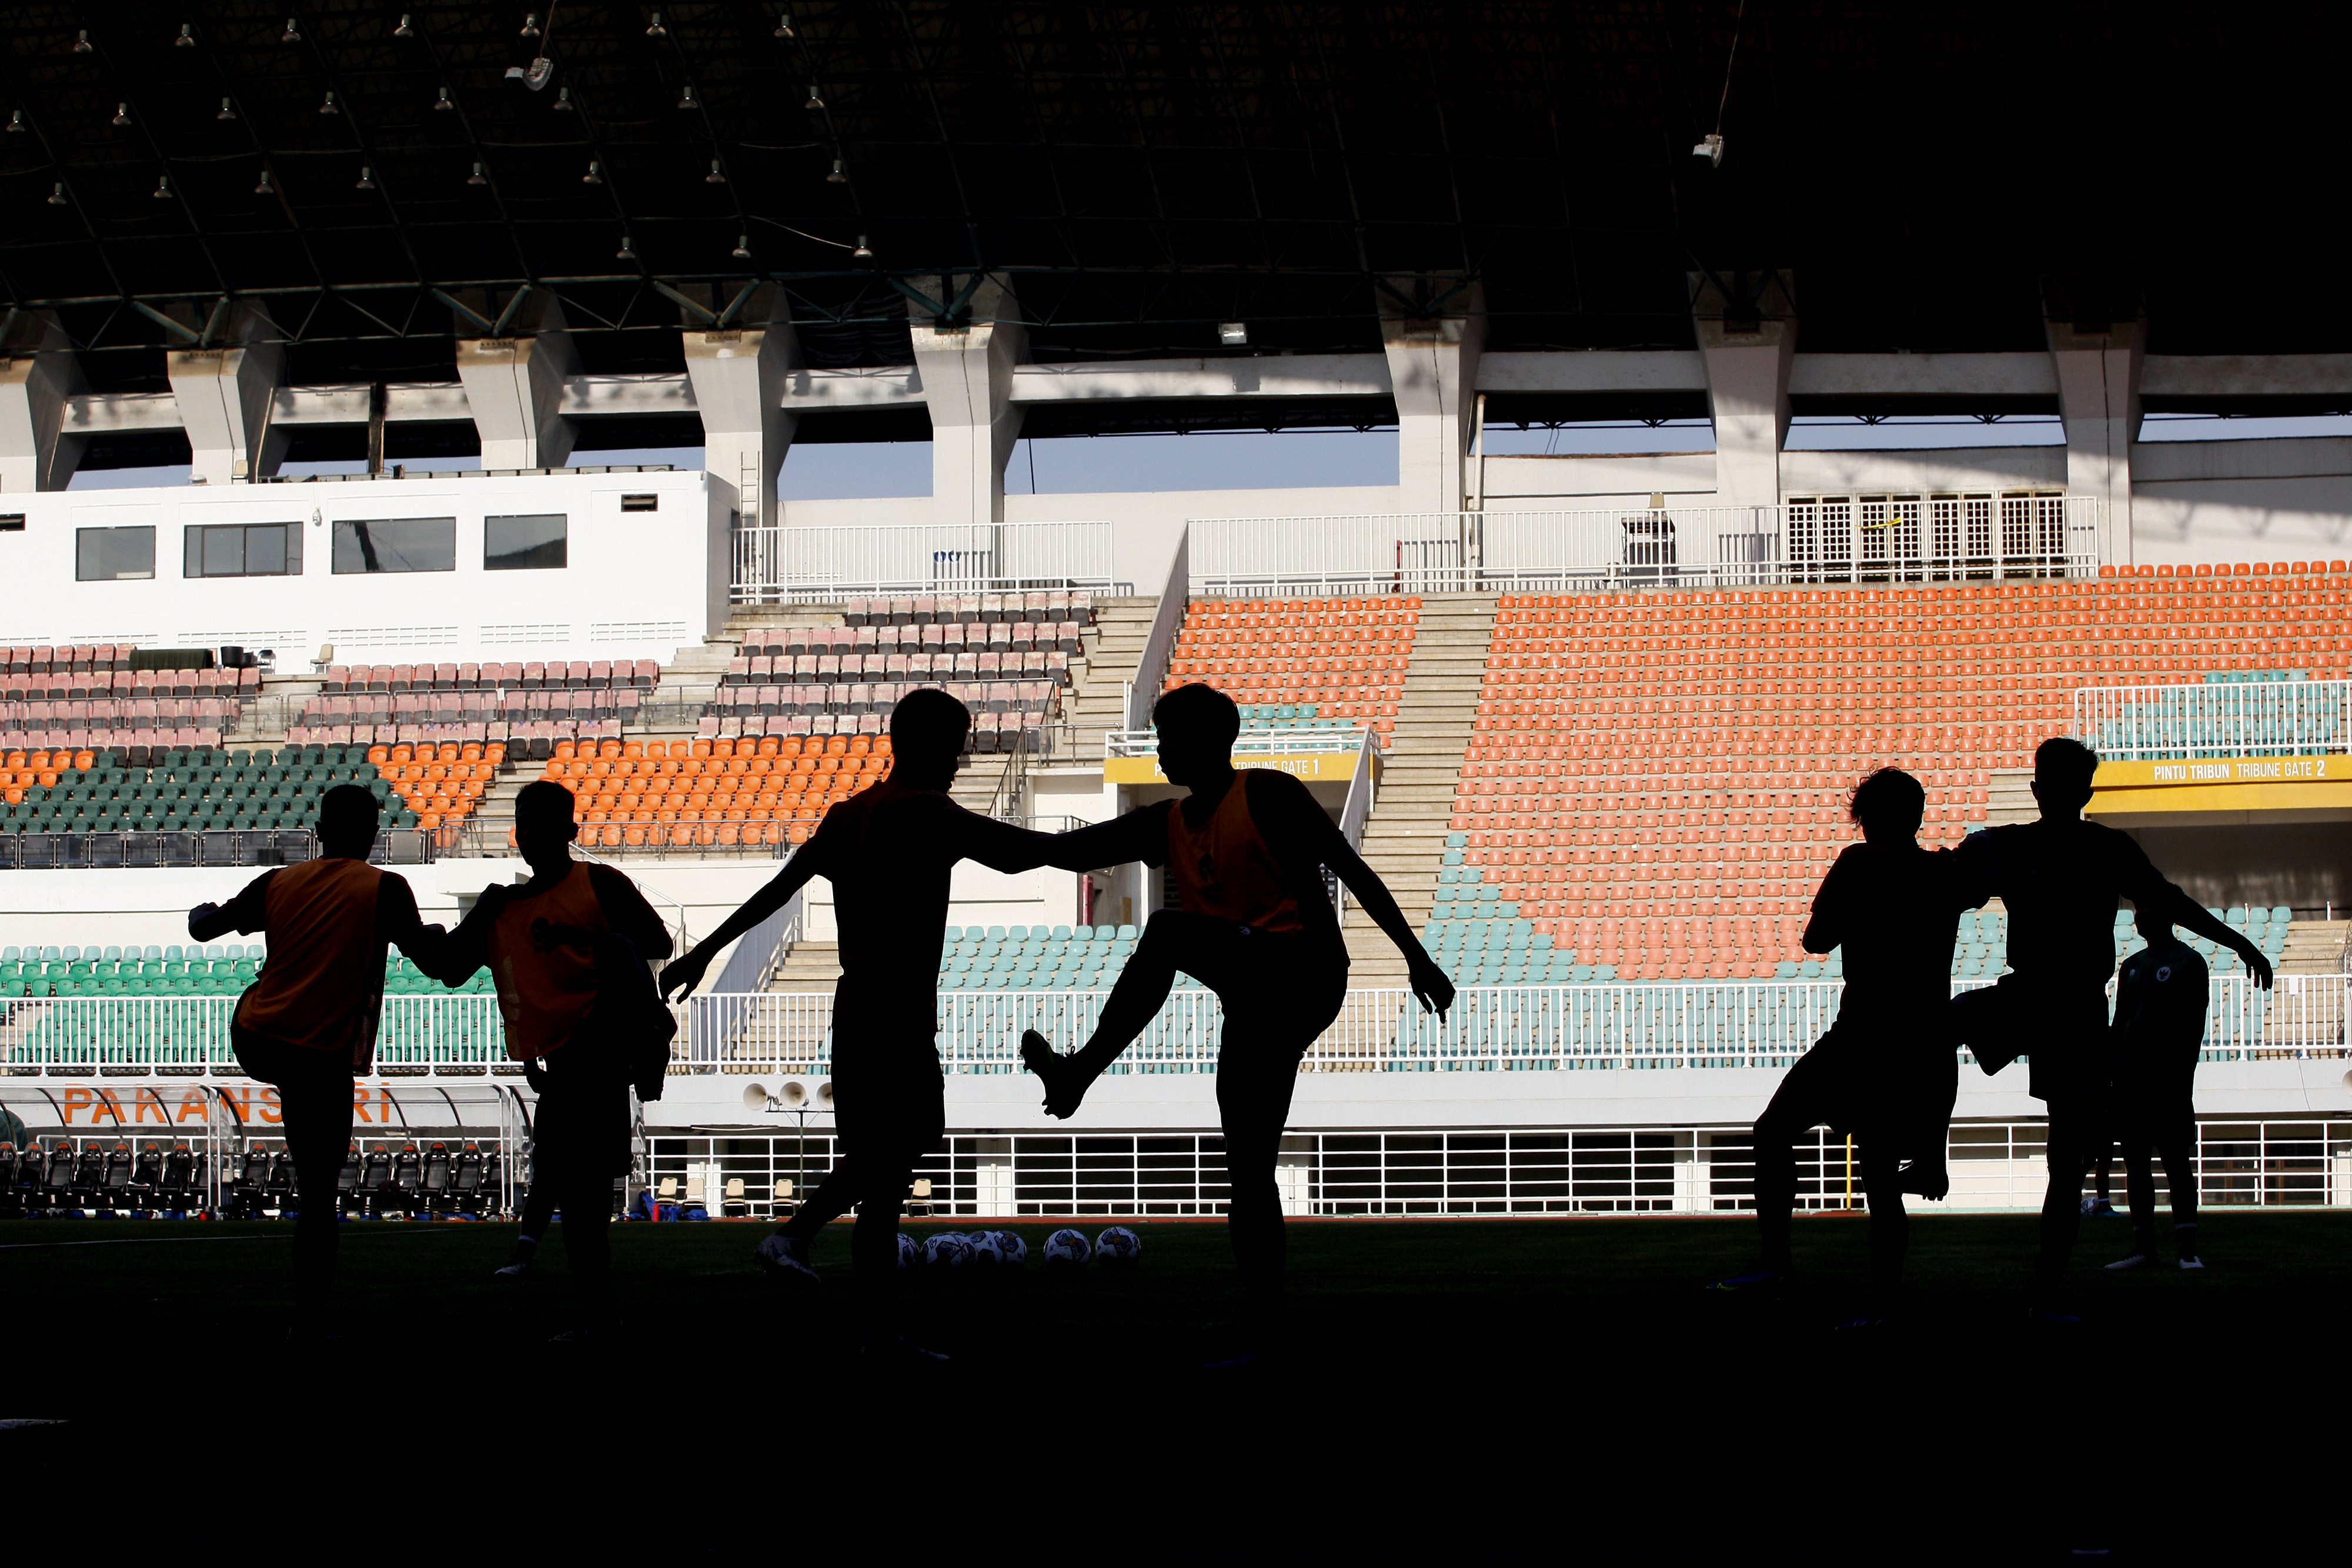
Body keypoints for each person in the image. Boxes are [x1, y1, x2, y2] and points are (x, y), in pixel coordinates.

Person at [1018, 683, 1454, 1363]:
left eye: (1173, 737)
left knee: (1163, 930)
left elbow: (1352, 870)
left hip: (1303, 971)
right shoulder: (1166, 823)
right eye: (1159, 737)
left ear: (1216, 741)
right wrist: (952, 834)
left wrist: (1416, 958)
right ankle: (1269, 1335)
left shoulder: (1269, 795)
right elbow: (1057, 853)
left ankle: (1078, 1072)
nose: (1162, 749)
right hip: (1251, 996)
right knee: (1247, 1171)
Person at [660, 690, 1070, 1364]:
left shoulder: (848, 817)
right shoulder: (929, 814)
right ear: (930, 744)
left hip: (852, 1015)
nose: (962, 756)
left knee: (881, 1188)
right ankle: (796, 1234)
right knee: (907, 1144)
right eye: (957, 741)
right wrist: (1128, 839)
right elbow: (1024, 855)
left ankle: (876, 1334)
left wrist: (704, 952)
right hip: (896, 1017)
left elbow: (776, 890)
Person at [1949, 737, 2267, 1320]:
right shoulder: (2084, 847)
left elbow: (1948, 885)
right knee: (2062, 1161)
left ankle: (1923, 1148)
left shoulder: (2019, 845)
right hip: (2062, 1007)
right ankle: (2036, 1288)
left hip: (2051, 1003)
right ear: (2082, 792)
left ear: (2038, 789)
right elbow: (2171, 900)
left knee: (1938, 1034)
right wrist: (2238, 941)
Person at [1708, 768, 1970, 1323]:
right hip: (1923, 1039)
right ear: (1918, 815)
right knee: (1880, 1178)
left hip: (1863, 1036)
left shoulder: (1859, 862)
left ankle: (1776, 1262)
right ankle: (1885, 1304)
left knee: (1773, 1131)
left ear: (1865, 816)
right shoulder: (1944, 872)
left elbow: (1816, 938)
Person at [188, 784, 444, 1342]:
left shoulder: (279, 880)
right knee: (319, 1190)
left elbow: (204, 927)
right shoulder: (385, 888)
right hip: (318, 1052)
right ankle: (307, 1318)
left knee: (312, 1159)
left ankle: (307, 1314)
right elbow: (436, 965)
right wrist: (463, 928)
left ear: (320, 831)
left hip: (257, 1033)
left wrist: (202, 910)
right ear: (374, 835)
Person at [422, 780, 673, 1340]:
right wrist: (446, 927)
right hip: (561, 1063)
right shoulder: (502, 907)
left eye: (540, 820)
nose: (529, 831)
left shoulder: (599, 882)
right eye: (523, 820)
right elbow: (449, 969)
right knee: (578, 1200)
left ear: (570, 832)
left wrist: (576, 934)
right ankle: (602, 1321)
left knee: (615, 948)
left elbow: (658, 942)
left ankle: (655, 1030)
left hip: (605, 1044)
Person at [2104, 905, 2209, 1272]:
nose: (2142, 915)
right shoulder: (2131, 965)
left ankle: (2187, 1251)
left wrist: (2182, 1076)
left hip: (2168, 1081)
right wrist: (2111, 1073)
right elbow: (2119, 1024)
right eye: (2140, 910)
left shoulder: (2190, 963)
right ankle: (2144, 1248)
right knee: (2135, 1164)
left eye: (2149, 908)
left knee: (2177, 1164)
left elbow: (2193, 1027)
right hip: (2130, 1082)